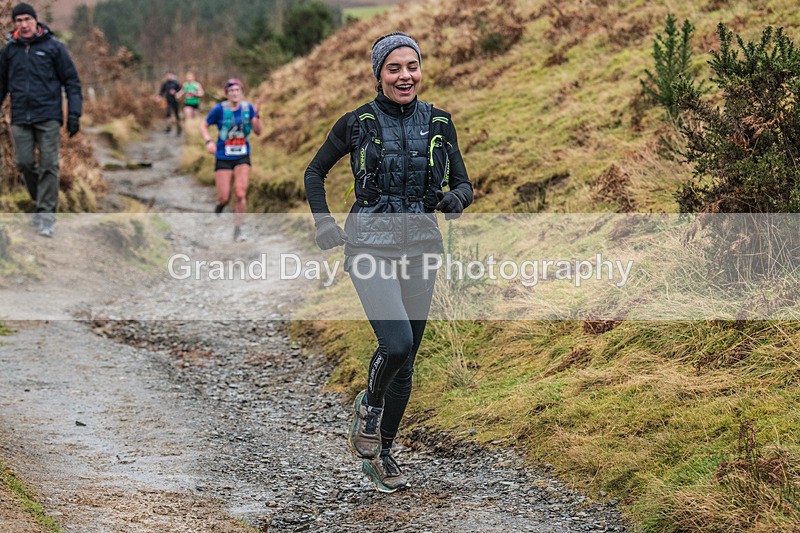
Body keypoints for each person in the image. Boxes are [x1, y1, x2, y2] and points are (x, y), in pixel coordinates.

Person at [303, 32, 473, 492]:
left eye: (412, 66)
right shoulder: (357, 122)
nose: (405, 76)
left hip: (421, 248)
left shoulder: (440, 122)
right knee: (396, 344)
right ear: (378, 74)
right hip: (369, 247)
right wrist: (323, 222)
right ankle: (369, 407)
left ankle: (383, 453)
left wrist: (455, 199)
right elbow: (315, 171)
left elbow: (464, 184)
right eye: (394, 68)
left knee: (408, 360)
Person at [0, 2, 82, 238]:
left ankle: (46, 216)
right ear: (14, 24)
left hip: (48, 116)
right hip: (20, 117)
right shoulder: (9, 51)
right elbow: (1, 84)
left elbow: (72, 82)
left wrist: (74, 113)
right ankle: (41, 201)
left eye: (27, 19)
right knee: (24, 163)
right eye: (19, 20)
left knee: (49, 165)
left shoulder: (54, 47)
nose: (24, 24)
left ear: (35, 21)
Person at [200, 78, 262, 242]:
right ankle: (220, 206)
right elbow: (204, 125)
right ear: (227, 94)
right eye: (231, 91)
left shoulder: (248, 108)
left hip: (242, 156)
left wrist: (257, 116)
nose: (234, 93)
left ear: (241, 92)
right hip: (223, 156)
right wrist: (208, 141)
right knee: (224, 197)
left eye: (237, 90)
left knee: (240, 193)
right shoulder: (219, 109)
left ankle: (237, 230)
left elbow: (258, 132)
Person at [159, 70, 182, 135]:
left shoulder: (176, 83)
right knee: (168, 113)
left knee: (176, 115)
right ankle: (168, 128)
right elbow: (161, 92)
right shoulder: (165, 83)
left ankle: (179, 128)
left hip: (175, 101)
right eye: (167, 75)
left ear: (172, 75)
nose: (168, 76)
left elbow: (181, 90)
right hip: (168, 101)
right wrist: (159, 97)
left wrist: (176, 93)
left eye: (170, 75)